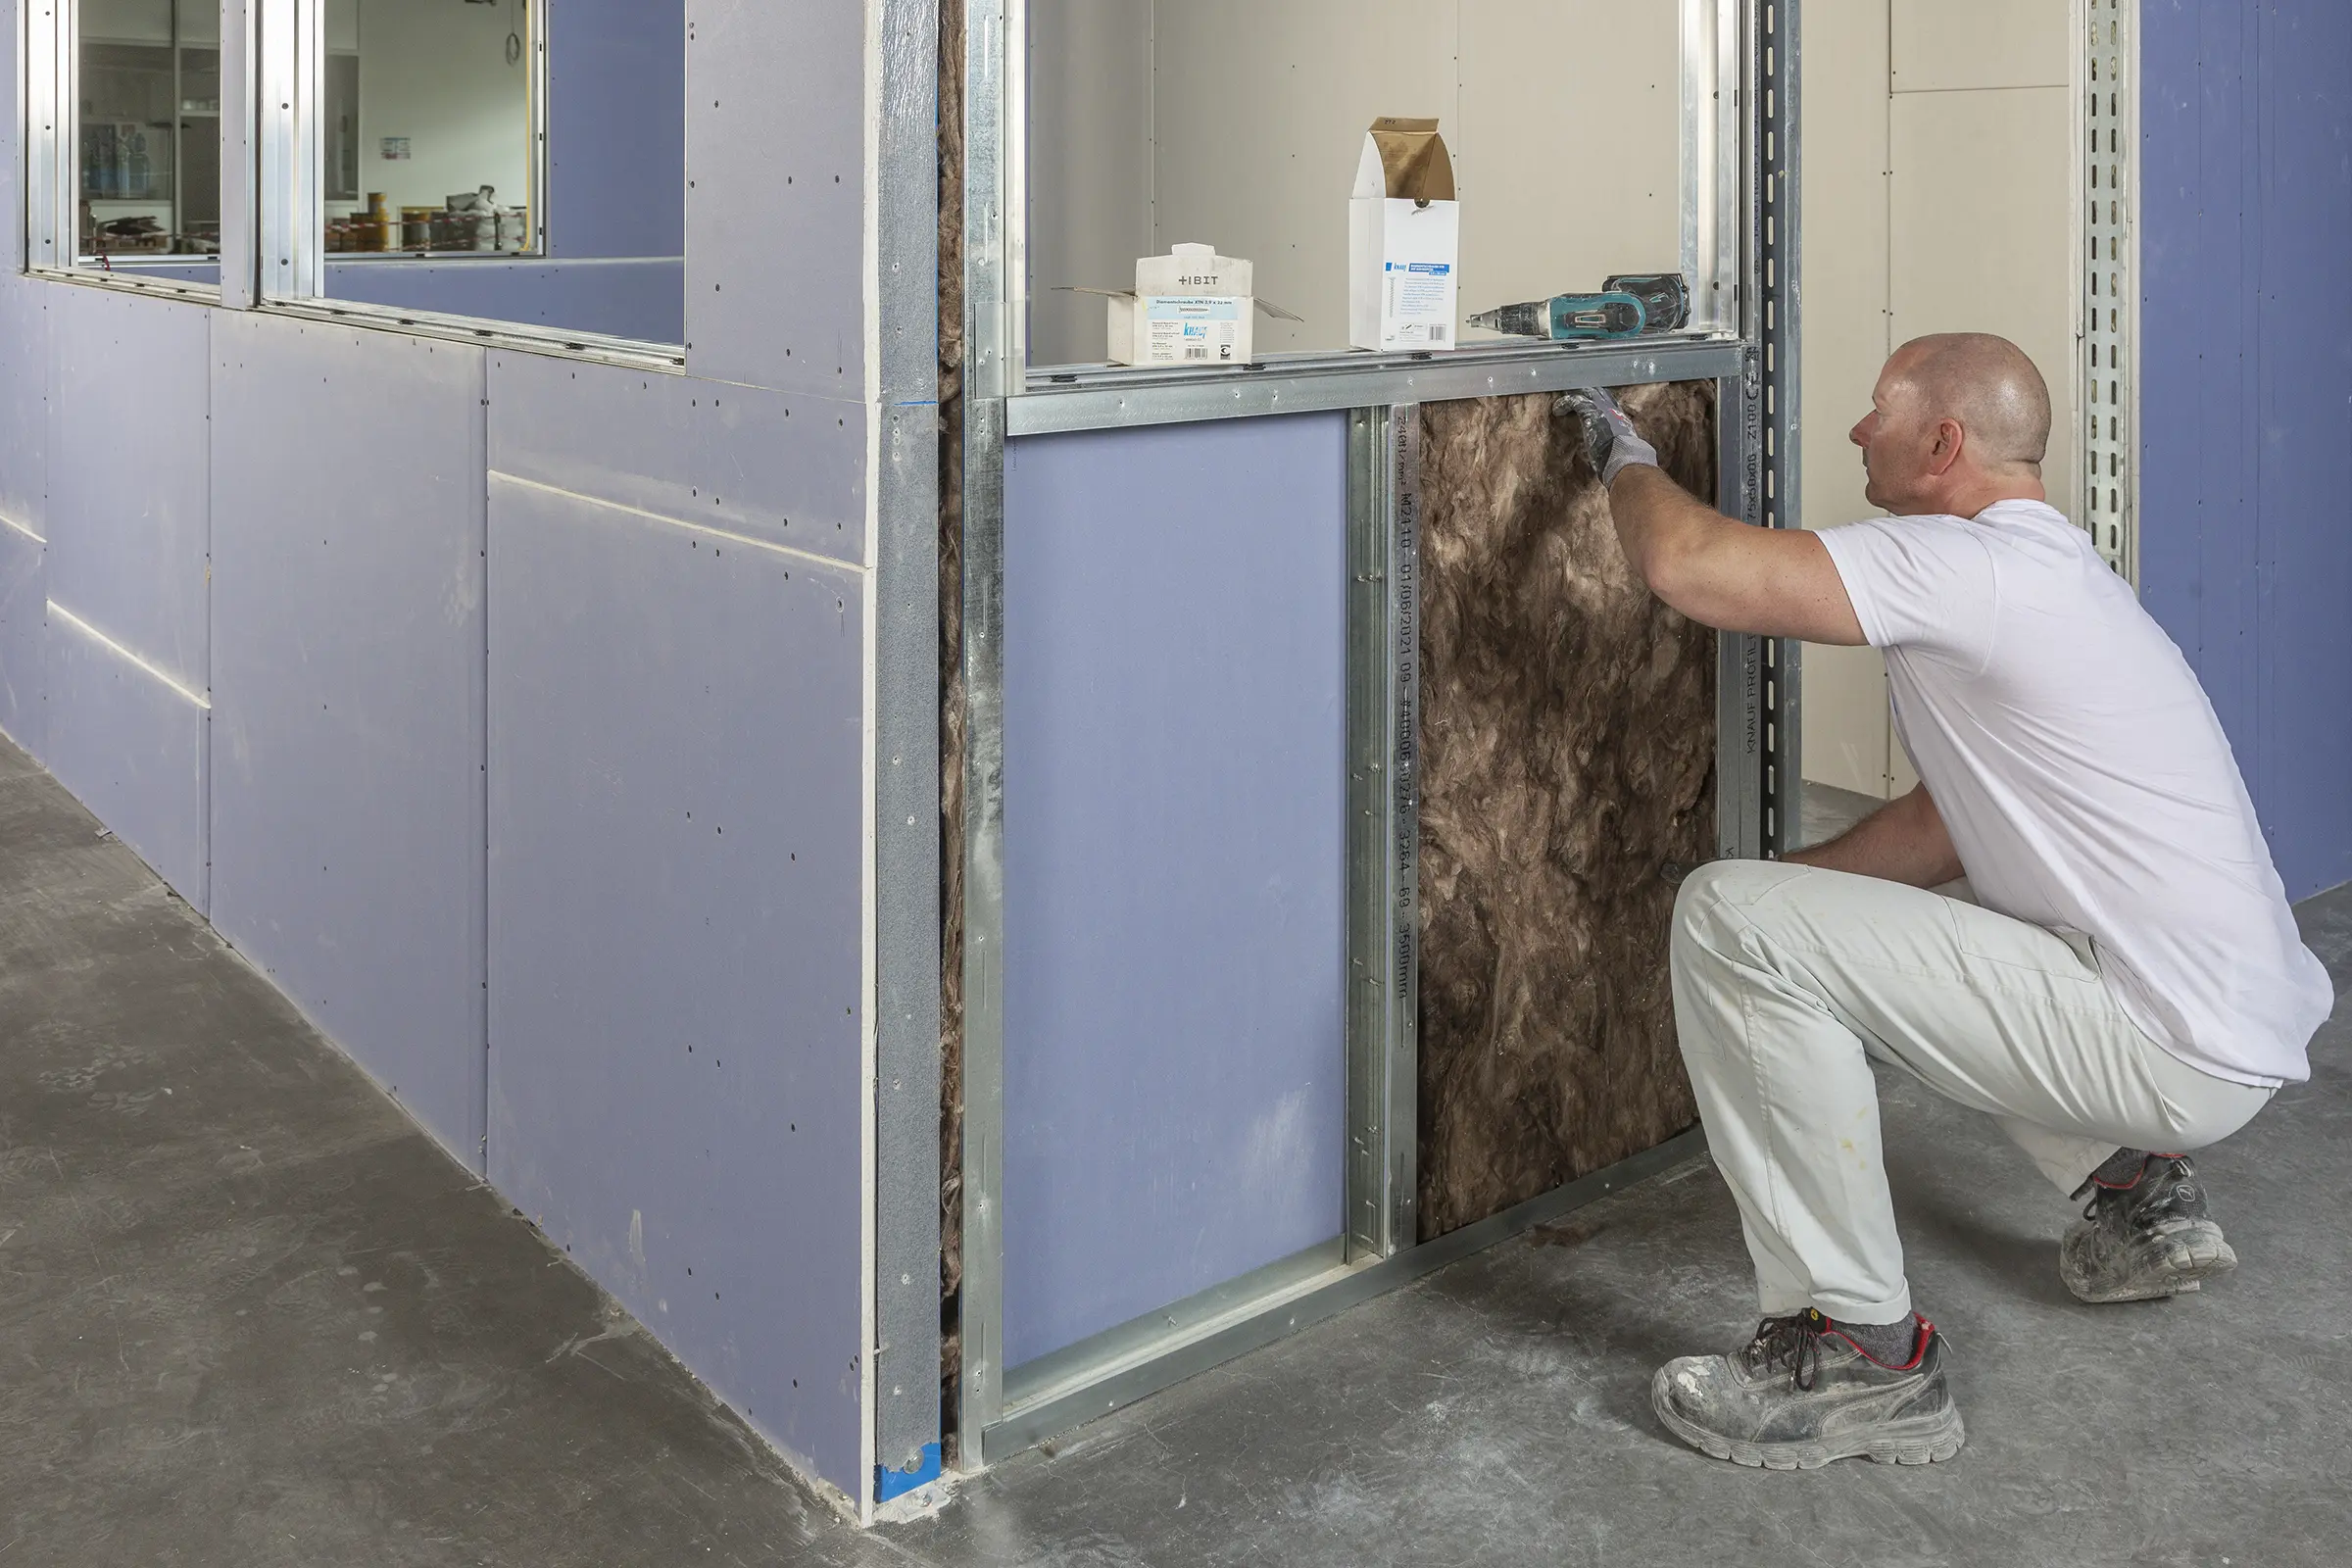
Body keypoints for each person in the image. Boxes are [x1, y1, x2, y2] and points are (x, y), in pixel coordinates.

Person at [1561, 334, 2332, 1471]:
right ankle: (2133, 1186)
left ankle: (1857, 1352)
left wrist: (1621, 450)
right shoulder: (2052, 572)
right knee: (1799, 916)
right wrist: (1794, 912)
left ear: (1942, 443)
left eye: (1878, 410)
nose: (1856, 429)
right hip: (2220, 1028)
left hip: (2170, 1045)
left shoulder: (1965, 565)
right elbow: (1943, 828)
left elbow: (1690, 566)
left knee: (1725, 915)